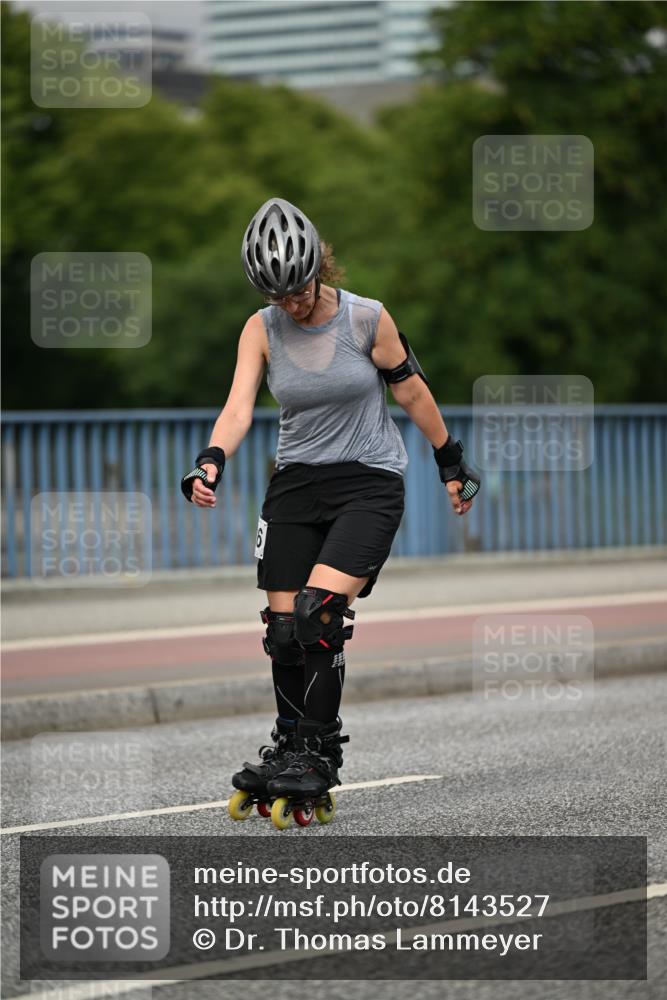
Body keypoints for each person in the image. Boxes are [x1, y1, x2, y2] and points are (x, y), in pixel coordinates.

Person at [181, 197, 480, 829]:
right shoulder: (260, 328)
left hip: (369, 482)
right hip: (295, 484)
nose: (291, 305)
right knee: (282, 628)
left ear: (319, 268)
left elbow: (411, 390)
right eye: (278, 295)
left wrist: (450, 462)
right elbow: (238, 407)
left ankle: (317, 753)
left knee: (319, 616)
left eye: (298, 291)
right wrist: (211, 460)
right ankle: (289, 743)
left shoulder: (366, 320)